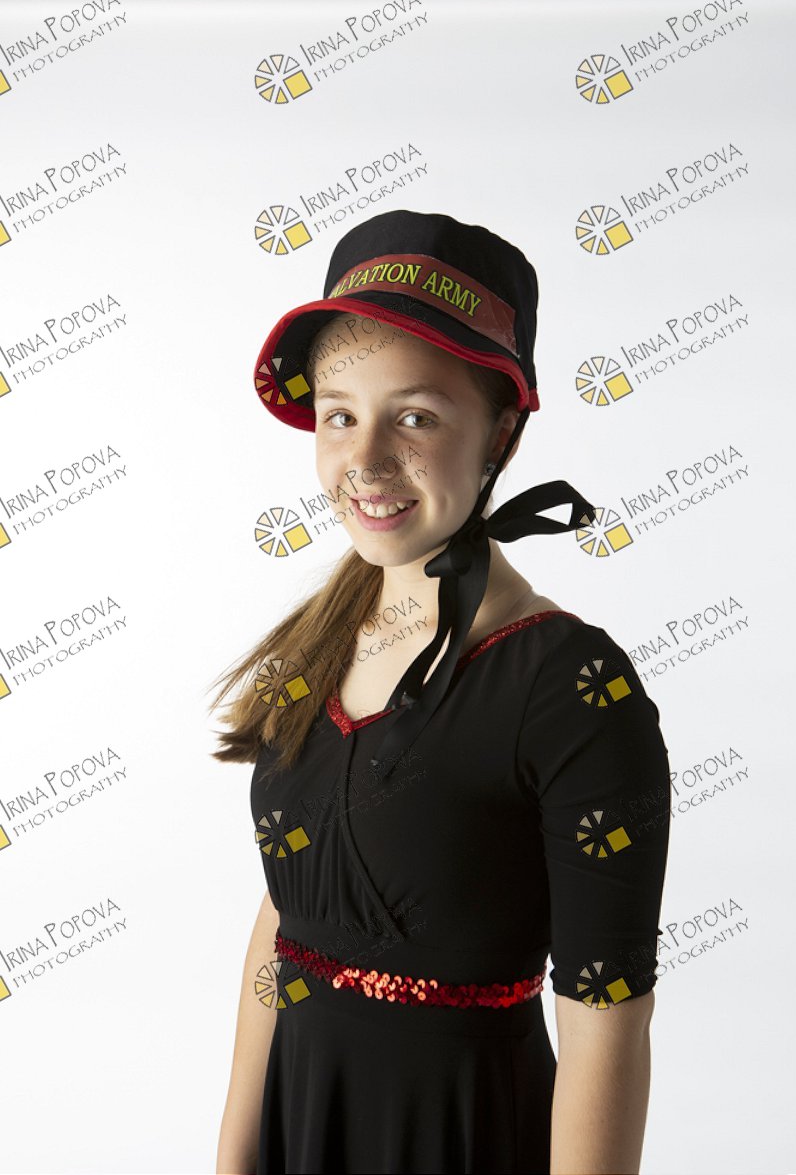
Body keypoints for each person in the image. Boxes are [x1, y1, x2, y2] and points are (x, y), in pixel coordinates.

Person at [211, 209, 672, 1175]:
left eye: (415, 416)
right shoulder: (315, 647)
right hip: (302, 1122)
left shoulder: (576, 690)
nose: (365, 460)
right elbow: (284, 923)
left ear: (502, 430)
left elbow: (607, 1024)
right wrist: (235, 1157)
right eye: (340, 413)